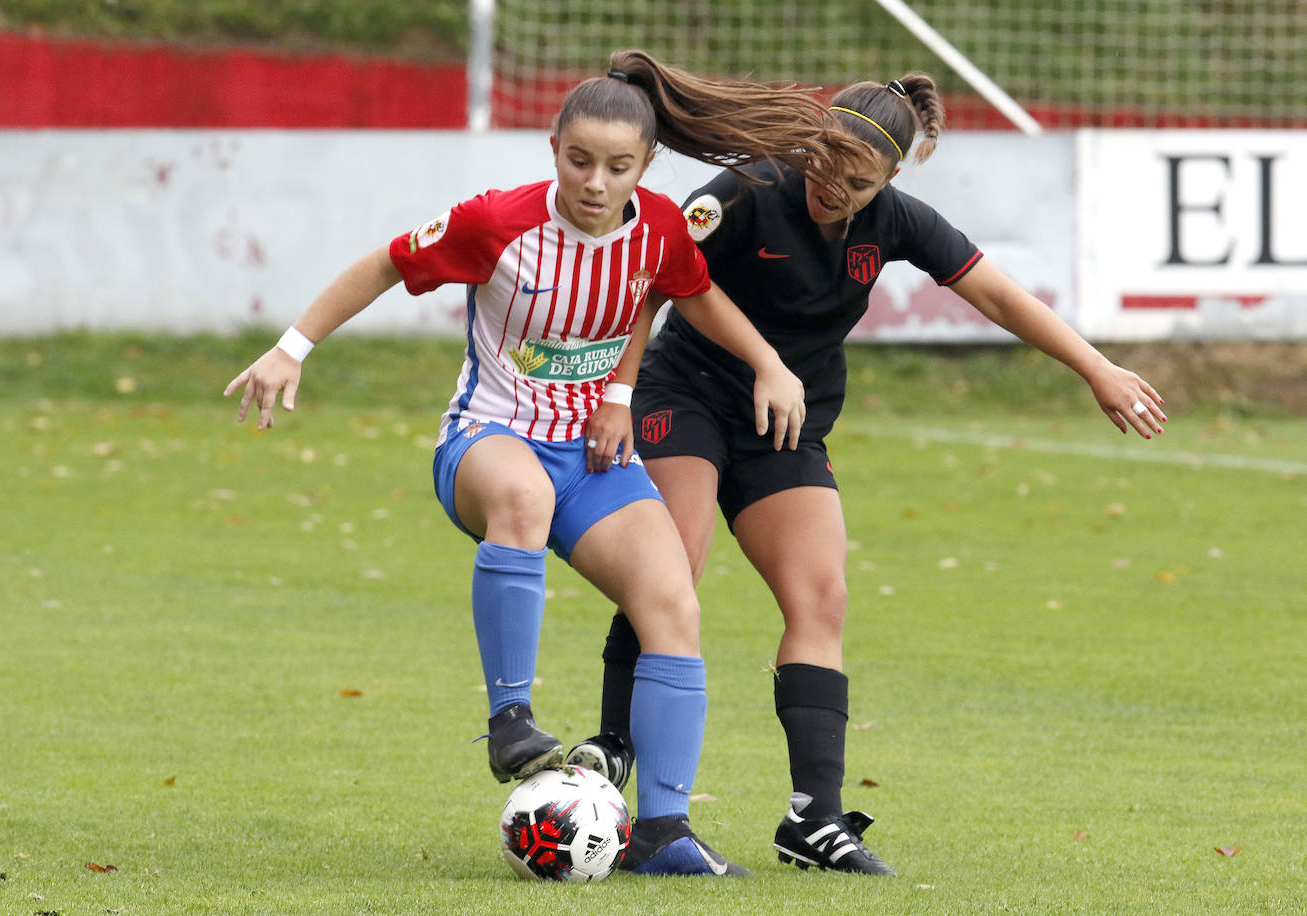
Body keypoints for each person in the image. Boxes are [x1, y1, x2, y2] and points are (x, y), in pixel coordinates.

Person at [223, 49, 876, 877]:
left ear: (645, 166)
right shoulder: (495, 222)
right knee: (523, 498)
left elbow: (688, 291)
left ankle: (662, 831)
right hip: (487, 443)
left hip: (589, 458)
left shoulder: (660, 227)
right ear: (553, 149)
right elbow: (386, 264)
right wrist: (292, 349)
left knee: (672, 601)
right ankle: (510, 721)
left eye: (617, 166)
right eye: (579, 161)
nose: (596, 183)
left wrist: (760, 366)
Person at [566, 73, 1170, 876]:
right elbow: (651, 284)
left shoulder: (894, 221)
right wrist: (617, 391)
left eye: (856, 183)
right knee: (673, 570)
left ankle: (812, 819)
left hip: (785, 424)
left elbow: (995, 293)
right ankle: (615, 747)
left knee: (822, 598)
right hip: (689, 395)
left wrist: (1098, 369)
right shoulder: (750, 188)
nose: (831, 188)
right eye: (825, 166)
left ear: (890, 179)